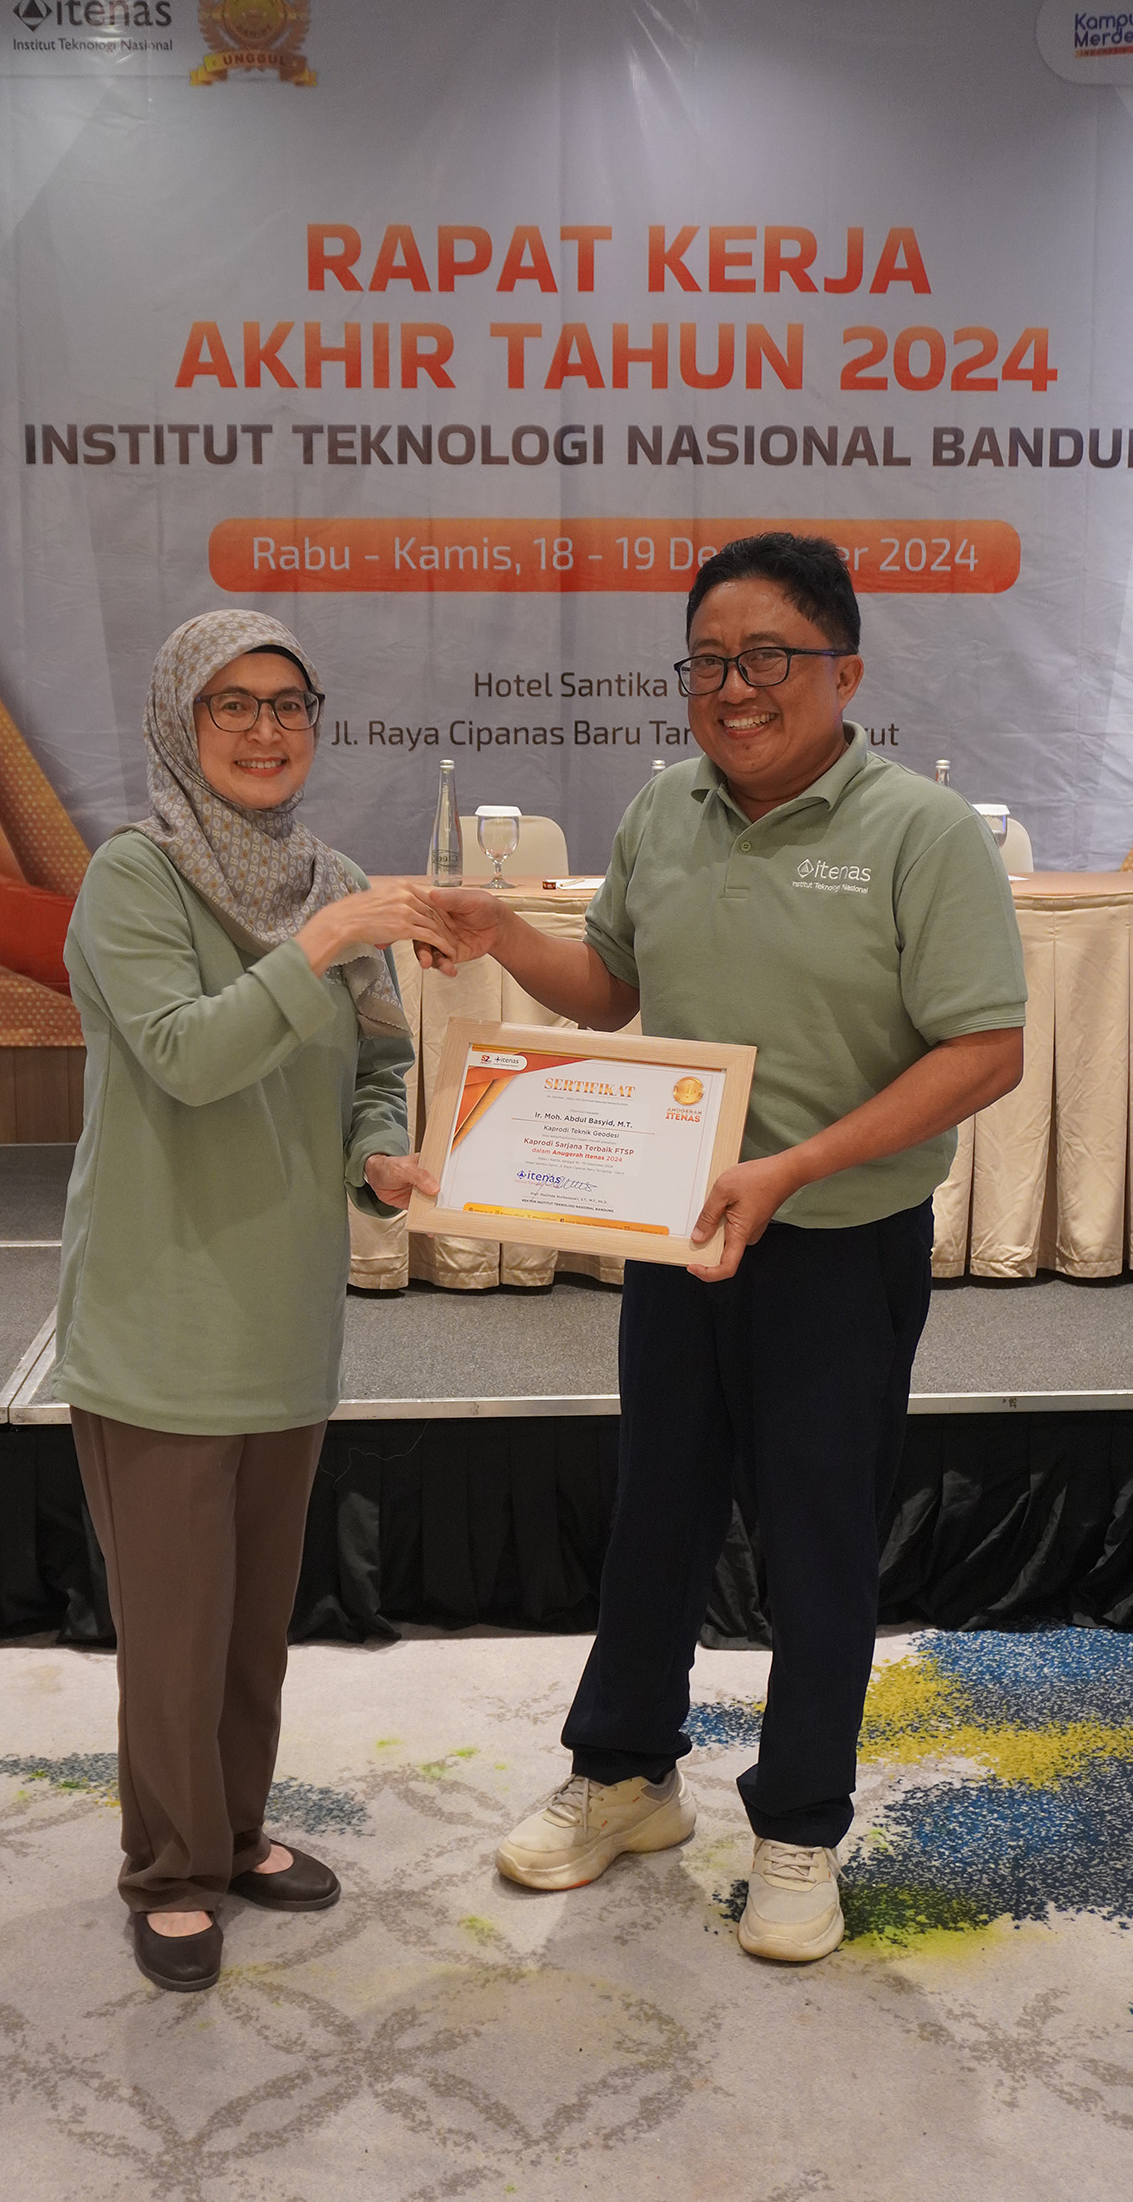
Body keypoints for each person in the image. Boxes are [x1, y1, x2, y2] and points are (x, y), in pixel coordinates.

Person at [424, 532, 1026, 1963]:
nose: (734, 687)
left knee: (818, 1540)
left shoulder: (920, 832)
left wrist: (796, 1166)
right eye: (708, 662)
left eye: (768, 658)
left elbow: (986, 1051)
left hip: (835, 1242)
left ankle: (801, 1826)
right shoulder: (663, 809)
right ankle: (627, 1775)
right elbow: (609, 989)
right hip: (676, 1233)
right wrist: (504, 931)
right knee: (657, 1509)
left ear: (844, 673)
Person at [54, 608, 452, 1992]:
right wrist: (319, 941)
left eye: (289, 704)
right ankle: (170, 1870)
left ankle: (231, 1831)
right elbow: (186, 1057)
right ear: (182, 722)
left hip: (286, 1315)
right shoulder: (133, 877)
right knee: (174, 1634)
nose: (267, 730)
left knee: (250, 1625)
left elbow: (377, 1064)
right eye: (232, 704)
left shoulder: (328, 878)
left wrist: (379, 1155)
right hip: (160, 1314)